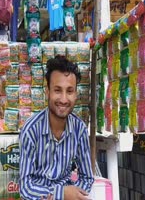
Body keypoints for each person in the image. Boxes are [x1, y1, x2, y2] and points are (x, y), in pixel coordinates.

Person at [19, 56, 94, 200]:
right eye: (58, 90)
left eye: (70, 91)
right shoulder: (31, 130)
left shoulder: (80, 129)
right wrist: (61, 194)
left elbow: (87, 178)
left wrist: (76, 194)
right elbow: (25, 188)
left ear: (76, 94)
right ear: (47, 91)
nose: (64, 99)